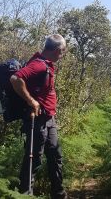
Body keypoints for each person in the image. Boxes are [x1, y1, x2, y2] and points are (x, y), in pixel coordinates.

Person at [10, 34, 67, 199]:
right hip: (37, 120)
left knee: (55, 157)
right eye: (62, 52)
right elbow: (15, 78)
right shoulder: (39, 65)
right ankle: (25, 195)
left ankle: (59, 194)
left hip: (49, 119)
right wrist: (32, 102)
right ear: (57, 51)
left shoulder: (46, 63)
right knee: (34, 159)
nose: (62, 56)